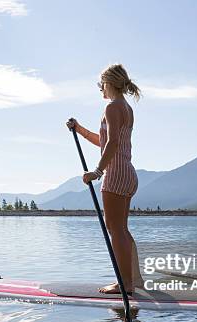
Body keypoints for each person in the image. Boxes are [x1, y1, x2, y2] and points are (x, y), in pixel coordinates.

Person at [66, 63, 144, 294]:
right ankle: (134, 280)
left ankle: (125, 284)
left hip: (116, 172)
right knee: (122, 229)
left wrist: (98, 171)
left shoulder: (112, 107)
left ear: (109, 83)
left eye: (101, 84)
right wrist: (79, 129)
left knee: (115, 229)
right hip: (128, 172)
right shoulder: (125, 107)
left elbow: (112, 144)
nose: (100, 88)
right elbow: (104, 141)